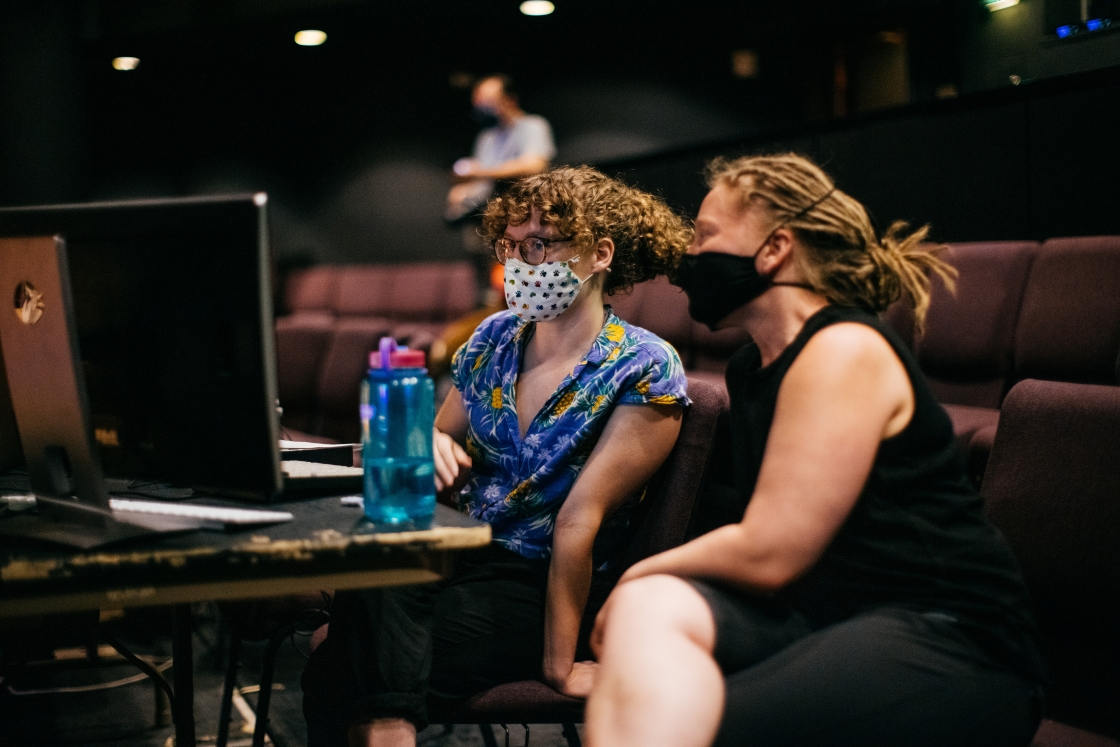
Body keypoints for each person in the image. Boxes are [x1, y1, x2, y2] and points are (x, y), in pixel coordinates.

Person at [585, 153, 1046, 747]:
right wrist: (637, 592)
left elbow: (772, 550)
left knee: (668, 656)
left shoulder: (842, 348)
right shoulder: (753, 367)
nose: (687, 259)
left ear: (774, 249)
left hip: (951, 639)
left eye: (706, 237)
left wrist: (632, 574)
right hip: (820, 617)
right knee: (649, 607)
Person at [303, 165, 693, 747]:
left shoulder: (643, 365)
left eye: (540, 244)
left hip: (543, 583)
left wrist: (558, 665)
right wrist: (429, 442)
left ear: (600, 254)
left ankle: (386, 728)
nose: (520, 262)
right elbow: (434, 445)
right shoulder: (492, 338)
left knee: (339, 669)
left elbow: (578, 521)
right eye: (512, 245)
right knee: (381, 564)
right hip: (461, 550)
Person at [444, 74, 556, 224]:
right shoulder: (486, 137)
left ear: (510, 100)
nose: (482, 107)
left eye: (489, 101)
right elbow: (481, 181)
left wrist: (479, 172)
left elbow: (534, 165)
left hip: (523, 214)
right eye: (479, 101)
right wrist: (465, 190)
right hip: (488, 215)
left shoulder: (533, 125)